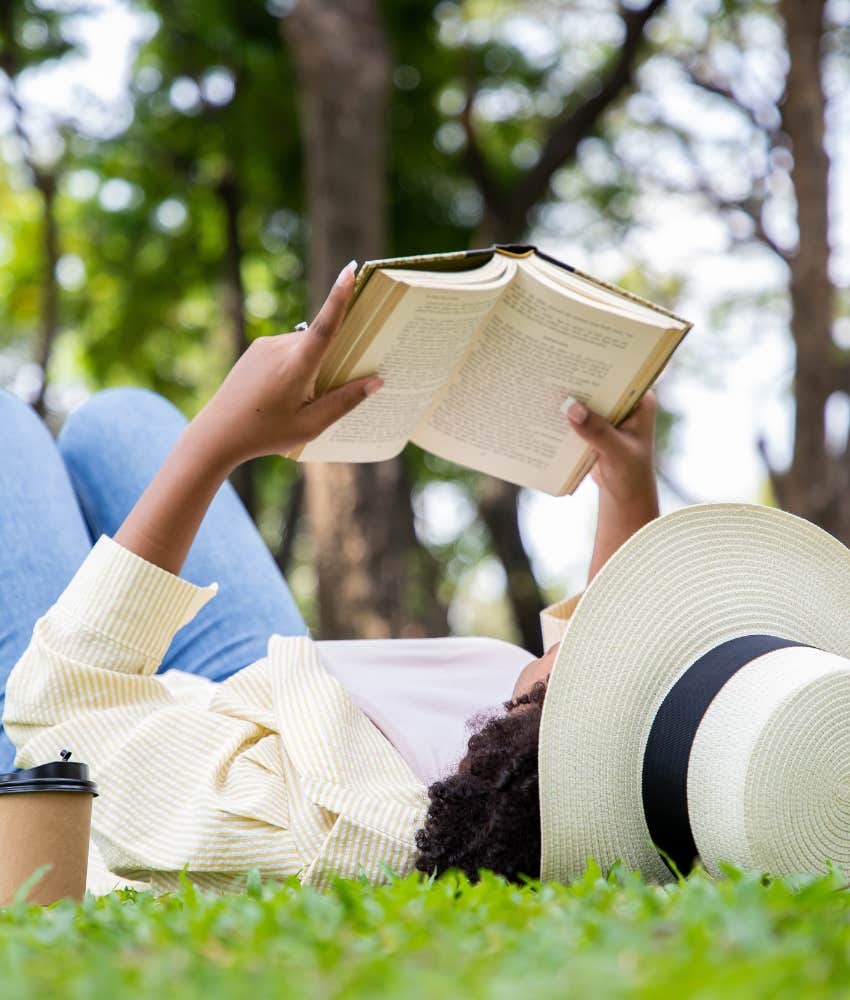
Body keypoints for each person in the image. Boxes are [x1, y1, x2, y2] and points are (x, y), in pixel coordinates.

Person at [1, 261, 659, 892]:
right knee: (124, 418)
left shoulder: (330, 832)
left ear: (563, 730)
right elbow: (594, 651)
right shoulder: (562, 767)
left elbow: (61, 714)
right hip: (284, 704)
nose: (627, 641)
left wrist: (219, 443)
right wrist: (626, 484)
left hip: (157, 769)